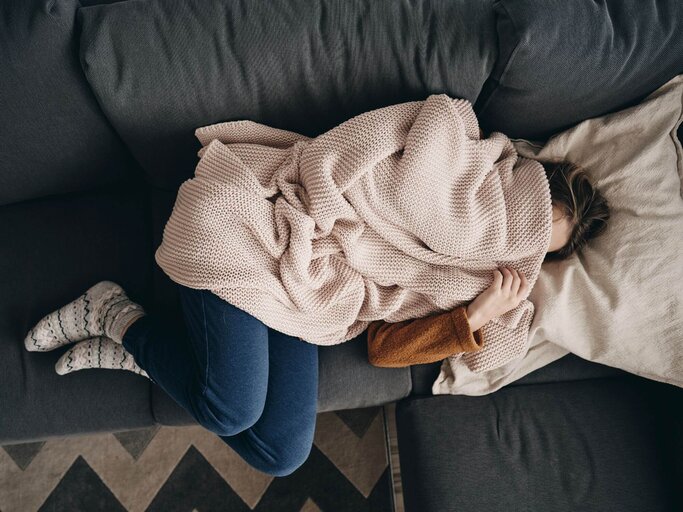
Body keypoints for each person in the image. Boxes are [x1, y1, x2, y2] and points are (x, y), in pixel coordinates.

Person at [23, 159, 609, 477]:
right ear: (522, 188)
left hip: (315, 295)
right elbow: (361, 167)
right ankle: (116, 314)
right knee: (231, 409)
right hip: (269, 227)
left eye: (529, 248)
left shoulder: (484, 291)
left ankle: (132, 341)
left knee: (282, 455)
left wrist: (474, 317)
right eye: (523, 221)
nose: (507, 243)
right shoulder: (461, 164)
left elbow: (384, 350)